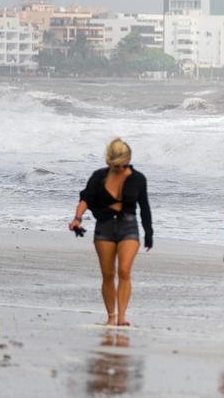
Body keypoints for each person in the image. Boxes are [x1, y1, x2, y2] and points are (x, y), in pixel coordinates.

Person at [69, 138, 153, 327]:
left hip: (128, 226)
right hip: (104, 227)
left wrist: (149, 233)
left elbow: (144, 207)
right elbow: (86, 199)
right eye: (117, 165)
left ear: (128, 159)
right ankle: (111, 316)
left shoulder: (138, 178)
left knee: (124, 271)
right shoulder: (99, 177)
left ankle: (122, 317)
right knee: (108, 274)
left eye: (122, 164)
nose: (120, 168)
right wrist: (77, 218)